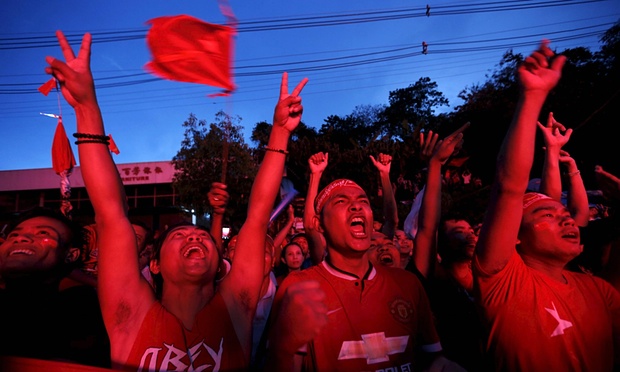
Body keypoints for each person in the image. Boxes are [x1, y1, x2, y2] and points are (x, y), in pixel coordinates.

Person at [45, 29, 308, 370]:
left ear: (219, 267)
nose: (195, 236)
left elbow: (258, 215)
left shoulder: (236, 308)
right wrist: (85, 107)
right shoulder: (130, 313)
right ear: (153, 265)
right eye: (179, 236)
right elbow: (110, 212)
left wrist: (280, 133)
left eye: (200, 237)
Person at [473, 40, 620, 371]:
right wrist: (532, 98)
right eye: (544, 215)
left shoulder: (600, 290)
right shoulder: (502, 282)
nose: (567, 220)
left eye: (565, 215)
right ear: (515, 237)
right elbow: (509, 188)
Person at [265, 178, 464, 371]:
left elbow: (432, 359)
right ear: (319, 224)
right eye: (341, 201)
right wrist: (287, 343)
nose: (356, 206)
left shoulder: (407, 283)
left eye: (363, 201)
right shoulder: (298, 287)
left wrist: (446, 367)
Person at [0, 207, 111, 368]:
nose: (21, 238)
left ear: (70, 255)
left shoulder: (80, 307)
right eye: (14, 235)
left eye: (43, 233)